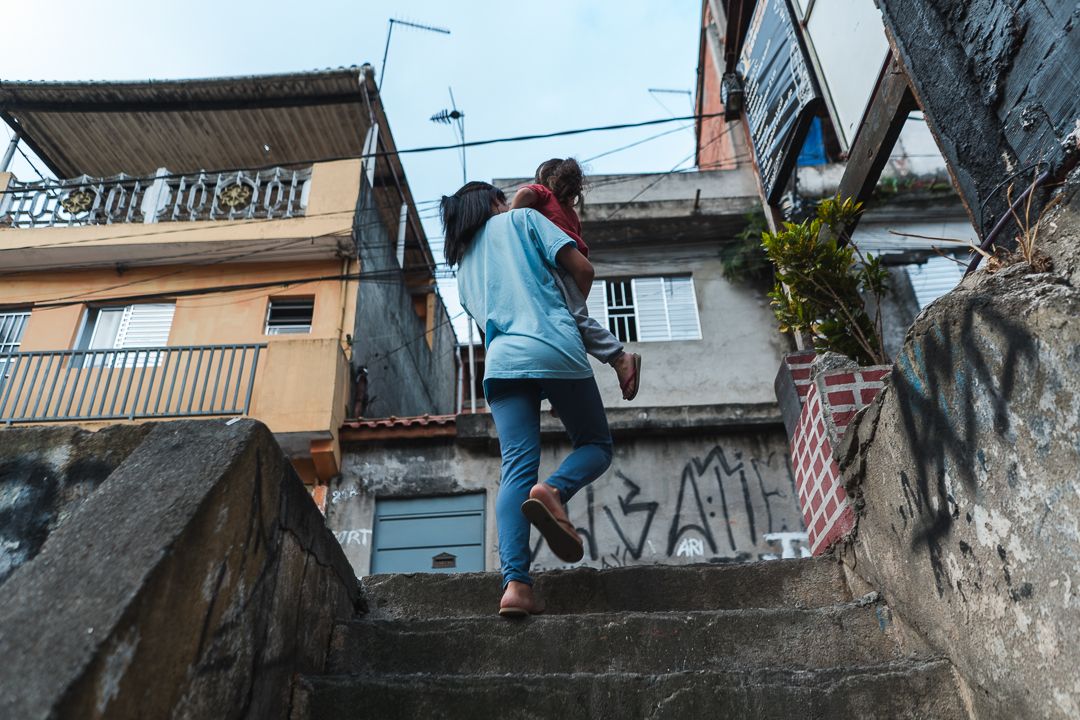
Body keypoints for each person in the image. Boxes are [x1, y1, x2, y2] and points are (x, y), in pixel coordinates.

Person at [442, 181, 613, 618]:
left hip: (500, 367)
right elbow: (584, 271)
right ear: (494, 203)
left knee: (515, 469)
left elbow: (489, 326)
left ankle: (515, 586)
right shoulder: (523, 220)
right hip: (553, 345)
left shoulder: (462, 271)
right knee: (595, 445)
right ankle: (554, 490)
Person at [510, 158, 642, 400]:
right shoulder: (571, 215)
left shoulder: (543, 194)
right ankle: (561, 391)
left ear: (546, 180)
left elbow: (525, 193)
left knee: (570, 323)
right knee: (566, 328)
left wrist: (510, 220)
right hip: (570, 271)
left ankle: (619, 358)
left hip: (554, 267)